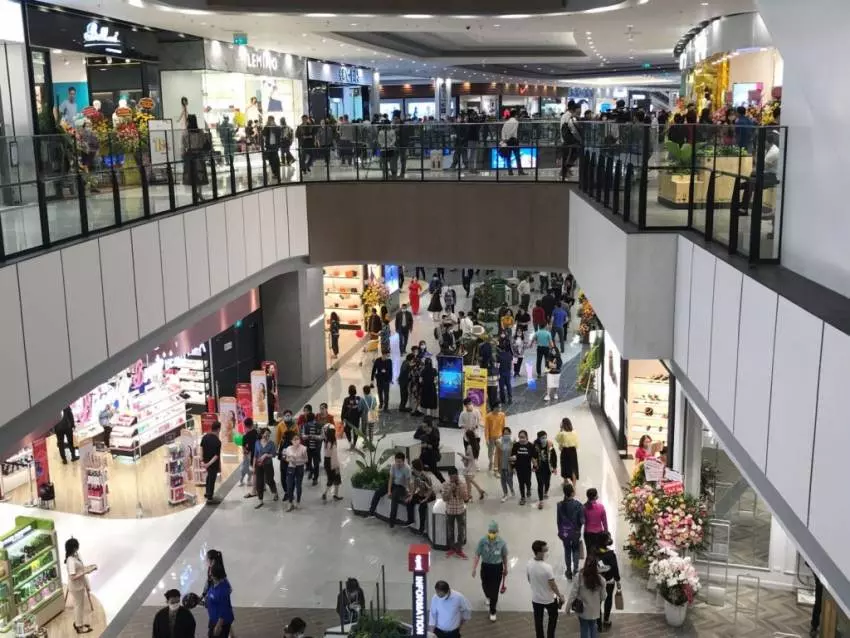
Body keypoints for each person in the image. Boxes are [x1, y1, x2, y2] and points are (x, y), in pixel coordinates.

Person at [472, 521, 509, 622]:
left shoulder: (501, 543)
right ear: (488, 531)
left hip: (497, 567)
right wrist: (474, 568)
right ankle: (488, 596)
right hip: (485, 566)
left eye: (494, 531)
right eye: (490, 531)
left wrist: (506, 568)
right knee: (485, 585)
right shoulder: (482, 541)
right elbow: (477, 555)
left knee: (495, 590)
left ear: (497, 531)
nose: (492, 533)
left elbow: (504, 556)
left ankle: (493, 611)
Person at [527, 540, 564, 638]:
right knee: (553, 618)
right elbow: (553, 585)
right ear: (539, 552)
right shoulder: (547, 568)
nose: (547, 553)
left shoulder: (529, 563)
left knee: (538, 622)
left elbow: (529, 579)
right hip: (549, 599)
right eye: (545, 550)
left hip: (536, 599)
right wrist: (560, 596)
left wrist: (537, 587)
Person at [566, 553, 606, 638]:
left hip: (583, 609)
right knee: (593, 626)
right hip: (594, 610)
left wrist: (568, 606)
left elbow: (573, 593)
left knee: (584, 627)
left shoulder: (579, 576)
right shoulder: (601, 580)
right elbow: (603, 597)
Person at [369, 452, 410, 528]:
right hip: (393, 484)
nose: (398, 463)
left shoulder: (407, 469)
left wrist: (408, 491)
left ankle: (392, 522)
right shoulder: (393, 466)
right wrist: (388, 491)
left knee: (394, 497)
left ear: (403, 461)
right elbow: (390, 479)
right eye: (396, 461)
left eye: (400, 462)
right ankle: (371, 512)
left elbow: (408, 482)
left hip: (401, 486)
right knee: (378, 492)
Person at [65, 538, 96, 634]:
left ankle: (78, 623)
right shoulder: (70, 561)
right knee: (79, 606)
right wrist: (86, 571)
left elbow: (79, 569)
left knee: (78, 605)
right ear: (74, 548)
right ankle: (79, 626)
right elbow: (72, 576)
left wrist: (87, 568)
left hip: (79, 585)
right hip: (76, 587)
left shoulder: (74, 556)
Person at [557, 482, 586, 580]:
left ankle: (568, 570)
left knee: (567, 550)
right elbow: (582, 521)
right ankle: (576, 570)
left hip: (565, 532)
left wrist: (560, 532)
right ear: (572, 493)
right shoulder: (579, 505)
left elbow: (559, 521)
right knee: (575, 550)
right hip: (575, 532)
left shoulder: (560, 505)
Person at [595, 533, 622, 632]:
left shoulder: (594, 552)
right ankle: (606, 620)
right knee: (608, 598)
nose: (610, 539)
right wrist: (617, 580)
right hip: (609, 581)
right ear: (605, 541)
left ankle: (597, 622)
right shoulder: (610, 554)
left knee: (597, 601)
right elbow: (615, 568)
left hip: (596, 581)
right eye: (608, 538)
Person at [442, 469, 469, 558]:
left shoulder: (462, 484)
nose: (454, 478)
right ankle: (452, 548)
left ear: (457, 475)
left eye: (455, 476)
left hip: (460, 510)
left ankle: (459, 549)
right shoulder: (445, 484)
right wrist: (450, 489)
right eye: (452, 477)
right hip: (450, 510)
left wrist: (459, 488)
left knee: (461, 531)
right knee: (450, 530)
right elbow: (444, 498)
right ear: (449, 476)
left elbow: (465, 498)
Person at [250, 427, 278, 508]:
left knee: (269, 480)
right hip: (259, 465)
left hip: (268, 465)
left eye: (268, 435)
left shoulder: (271, 443)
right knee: (259, 482)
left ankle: (275, 492)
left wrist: (266, 455)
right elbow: (255, 455)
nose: (267, 436)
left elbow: (274, 454)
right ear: (262, 434)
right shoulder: (257, 443)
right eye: (266, 434)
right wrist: (254, 467)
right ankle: (260, 500)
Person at [406, 458, 436, 534]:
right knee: (409, 502)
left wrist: (425, 499)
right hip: (421, 494)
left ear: (416, 468)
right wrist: (411, 496)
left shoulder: (425, 477)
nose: (412, 468)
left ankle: (422, 528)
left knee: (422, 507)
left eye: (413, 467)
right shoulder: (416, 475)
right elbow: (415, 487)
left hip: (429, 495)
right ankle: (410, 520)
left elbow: (430, 490)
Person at [206, 562, 234, 638]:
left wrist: (218, 626)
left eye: (210, 572)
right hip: (213, 619)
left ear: (214, 576)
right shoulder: (214, 584)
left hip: (220, 623)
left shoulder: (222, 591)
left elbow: (224, 610)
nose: (209, 573)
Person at [511, 430, 537, 506]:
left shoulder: (531, 446)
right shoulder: (516, 445)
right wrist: (513, 467)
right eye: (520, 437)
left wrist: (534, 466)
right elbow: (513, 457)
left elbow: (534, 457)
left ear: (526, 437)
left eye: (523, 437)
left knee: (528, 482)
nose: (521, 439)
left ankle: (528, 489)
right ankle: (523, 497)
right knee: (521, 483)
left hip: (527, 468)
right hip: (519, 468)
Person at [414, 417, 444, 483]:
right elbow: (415, 436)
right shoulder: (422, 430)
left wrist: (426, 445)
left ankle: (443, 482)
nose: (422, 428)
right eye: (422, 426)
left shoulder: (435, 433)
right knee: (417, 467)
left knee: (434, 470)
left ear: (429, 426)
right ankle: (424, 482)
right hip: (423, 453)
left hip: (432, 454)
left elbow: (435, 446)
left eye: (424, 427)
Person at [283, 434, 308, 511]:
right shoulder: (288, 448)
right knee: (289, 486)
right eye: (294, 439)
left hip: (299, 468)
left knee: (298, 486)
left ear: (300, 440)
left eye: (297, 439)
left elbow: (306, 460)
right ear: (291, 441)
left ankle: (298, 501)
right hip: (291, 467)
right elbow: (286, 458)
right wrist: (290, 460)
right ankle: (290, 502)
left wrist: (297, 460)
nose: (296, 441)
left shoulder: (303, 448)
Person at [533, 430, 557, 509]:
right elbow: (533, 457)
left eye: (545, 437)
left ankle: (546, 491)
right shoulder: (535, 446)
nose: (544, 439)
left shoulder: (550, 444)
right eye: (542, 438)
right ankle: (541, 501)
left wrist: (555, 467)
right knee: (540, 484)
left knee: (547, 483)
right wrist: (534, 466)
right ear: (539, 438)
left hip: (548, 468)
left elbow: (554, 456)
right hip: (539, 468)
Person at [200, 421, 222, 505]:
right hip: (212, 464)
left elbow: (201, 447)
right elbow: (216, 456)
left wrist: (202, 460)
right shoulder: (218, 442)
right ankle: (210, 498)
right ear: (218, 429)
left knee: (208, 477)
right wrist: (208, 464)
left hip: (205, 461)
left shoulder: (205, 437)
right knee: (212, 479)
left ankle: (207, 493)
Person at [461, 431, 486, 500]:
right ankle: (472, 494)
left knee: (469, 480)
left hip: (470, 465)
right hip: (472, 464)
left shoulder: (469, 446)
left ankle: (472, 494)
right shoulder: (475, 444)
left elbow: (470, 457)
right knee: (469, 481)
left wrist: (463, 456)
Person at [584, 488, 609, 554]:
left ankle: (591, 564)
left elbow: (582, 520)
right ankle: (597, 563)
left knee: (590, 553)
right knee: (599, 552)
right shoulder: (601, 507)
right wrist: (606, 531)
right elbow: (604, 521)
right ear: (595, 496)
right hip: (599, 533)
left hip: (588, 534)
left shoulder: (584, 507)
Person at [555, 418, 580, 485]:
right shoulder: (574, 432)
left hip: (565, 451)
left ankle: (565, 480)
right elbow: (576, 442)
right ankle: (574, 484)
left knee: (565, 466)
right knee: (573, 468)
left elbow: (557, 439)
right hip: (573, 451)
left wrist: (560, 429)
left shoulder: (562, 433)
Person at [494, 426, 515, 501]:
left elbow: (515, 454)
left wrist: (515, 465)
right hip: (501, 465)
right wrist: (495, 468)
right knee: (503, 480)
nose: (506, 435)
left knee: (509, 480)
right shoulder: (499, 443)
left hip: (509, 465)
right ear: (502, 434)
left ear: (510, 433)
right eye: (504, 433)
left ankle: (512, 489)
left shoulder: (513, 442)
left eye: (508, 433)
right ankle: (505, 494)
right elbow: (496, 455)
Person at [321, 428, 343, 501]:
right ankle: (335, 495)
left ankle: (325, 493)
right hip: (332, 463)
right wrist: (336, 466)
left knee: (330, 479)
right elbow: (334, 456)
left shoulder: (326, 442)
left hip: (326, 462)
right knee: (336, 479)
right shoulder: (333, 444)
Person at [500, 109, 524, 176]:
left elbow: (503, 131)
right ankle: (520, 171)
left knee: (508, 157)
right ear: (515, 115)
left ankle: (510, 171)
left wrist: (504, 139)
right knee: (517, 156)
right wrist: (508, 137)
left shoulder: (506, 122)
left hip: (507, 141)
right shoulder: (516, 122)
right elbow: (513, 131)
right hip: (513, 140)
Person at [302, 413, 323, 486]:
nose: (311, 423)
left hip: (316, 448)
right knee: (308, 463)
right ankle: (311, 471)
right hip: (308, 448)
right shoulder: (305, 426)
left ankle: (315, 479)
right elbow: (303, 436)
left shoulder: (319, 425)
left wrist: (314, 437)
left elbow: (322, 436)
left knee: (316, 464)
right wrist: (308, 436)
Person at [484, 403, 505, 473]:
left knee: (499, 451)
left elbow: (503, 426)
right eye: (498, 407)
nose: (500, 409)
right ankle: (490, 461)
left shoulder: (502, 415)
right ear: (494, 408)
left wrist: (504, 436)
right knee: (490, 451)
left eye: (500, 407)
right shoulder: (488, 416)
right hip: (491, 437)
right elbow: (486, 428)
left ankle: (497, 465)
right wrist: (486, 439)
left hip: (499, 436)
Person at [238, 418, 258, 489]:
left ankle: (242, 481)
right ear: (252, 424)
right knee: (252, 468)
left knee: (244, 468)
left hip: (248, 455)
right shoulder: (256, 432)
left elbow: (243, 447)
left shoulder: (245, 436)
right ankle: (248, 480)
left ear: (245, 426)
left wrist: (245, 452)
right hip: (254, 454)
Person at [262, 115, 282, 183]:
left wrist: (273, 127)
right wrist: (267, 126)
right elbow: (263, 134)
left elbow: (279, 133)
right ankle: (274, 172)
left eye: (271, 120)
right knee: (270, 160)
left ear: (273, 120)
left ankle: (277, 173)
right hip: (268, 146)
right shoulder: (266, 127)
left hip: (275, 146)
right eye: (269, 119)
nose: (270, 121)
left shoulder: (277, 127)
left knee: (275, 159)